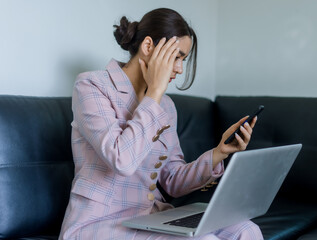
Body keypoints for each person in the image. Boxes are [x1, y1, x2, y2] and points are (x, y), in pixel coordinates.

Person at [59, 8, 263, 240]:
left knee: (247, 229)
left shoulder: (165, 105)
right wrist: (154, 92)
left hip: (151, 218)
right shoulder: (91, 86)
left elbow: (173, 181)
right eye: (176, 57)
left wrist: (219, 152)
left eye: (183, 60)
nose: (179, 69)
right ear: (148, 47)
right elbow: (121, 160)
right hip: (100, 222)